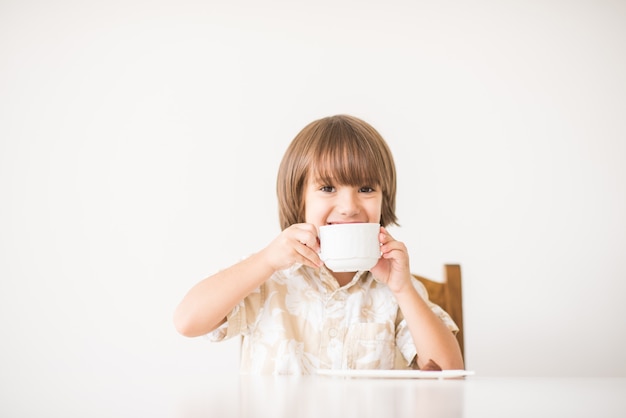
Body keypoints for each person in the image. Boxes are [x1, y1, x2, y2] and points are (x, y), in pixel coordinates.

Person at [173, 114, 464, 374]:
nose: (349, 206)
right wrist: (266, 261)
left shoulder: (394, 290)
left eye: (366, 189)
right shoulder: (269, 278)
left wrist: (403, 289)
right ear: (297, 198)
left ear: (383, 199)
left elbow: (449, 373)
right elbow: (188, 321)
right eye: (327, 188)